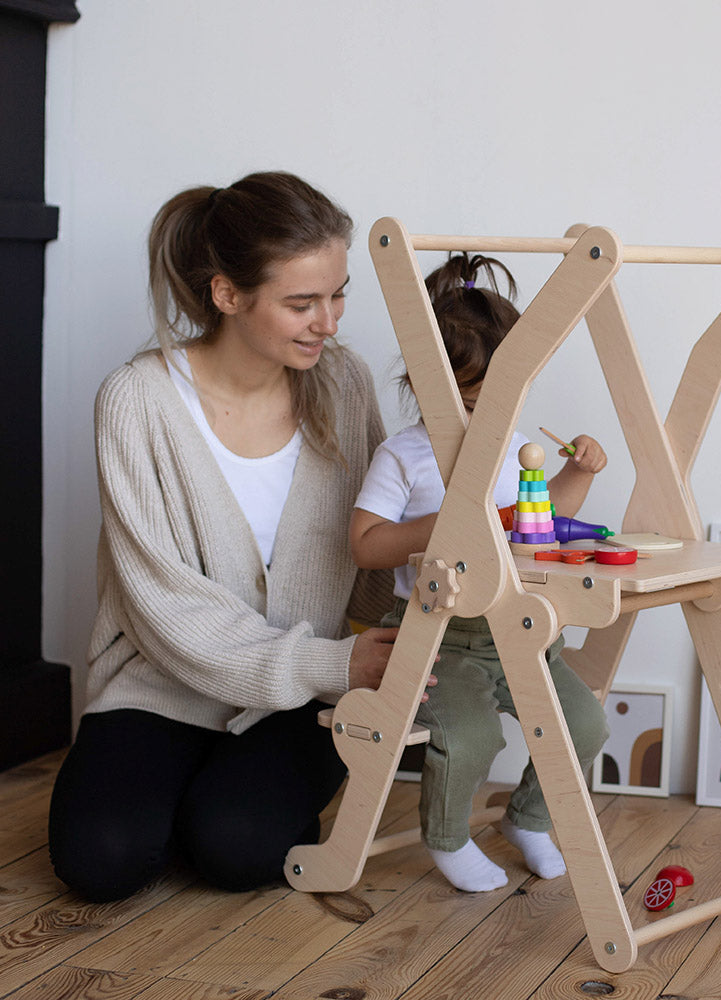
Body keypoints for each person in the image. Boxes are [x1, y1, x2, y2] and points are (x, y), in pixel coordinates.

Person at [48, 171, 424, 903]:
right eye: (301, 303)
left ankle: (221, 799)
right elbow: (165, 607)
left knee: (237, 849)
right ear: (227, 295)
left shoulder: (342, 385)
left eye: (338, 293)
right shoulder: (137, 401)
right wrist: (334, 660)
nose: (330, 322)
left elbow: (374, 547)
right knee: (100, 862)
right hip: (162, 684)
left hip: (307, 696)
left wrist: (384, 650)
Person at [350, 253, 610, 892]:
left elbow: (536, 523)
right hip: (436, 636)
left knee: (585, 724)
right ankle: (448, 837)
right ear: (427, 384)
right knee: (470, 738)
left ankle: (531, 819)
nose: (485, 414)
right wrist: (454, 526)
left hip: (515, 633)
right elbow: (365, 545)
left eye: (501, 397)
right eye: (470, 398)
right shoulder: (405, 454)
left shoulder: (512, 445)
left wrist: (577, 475)